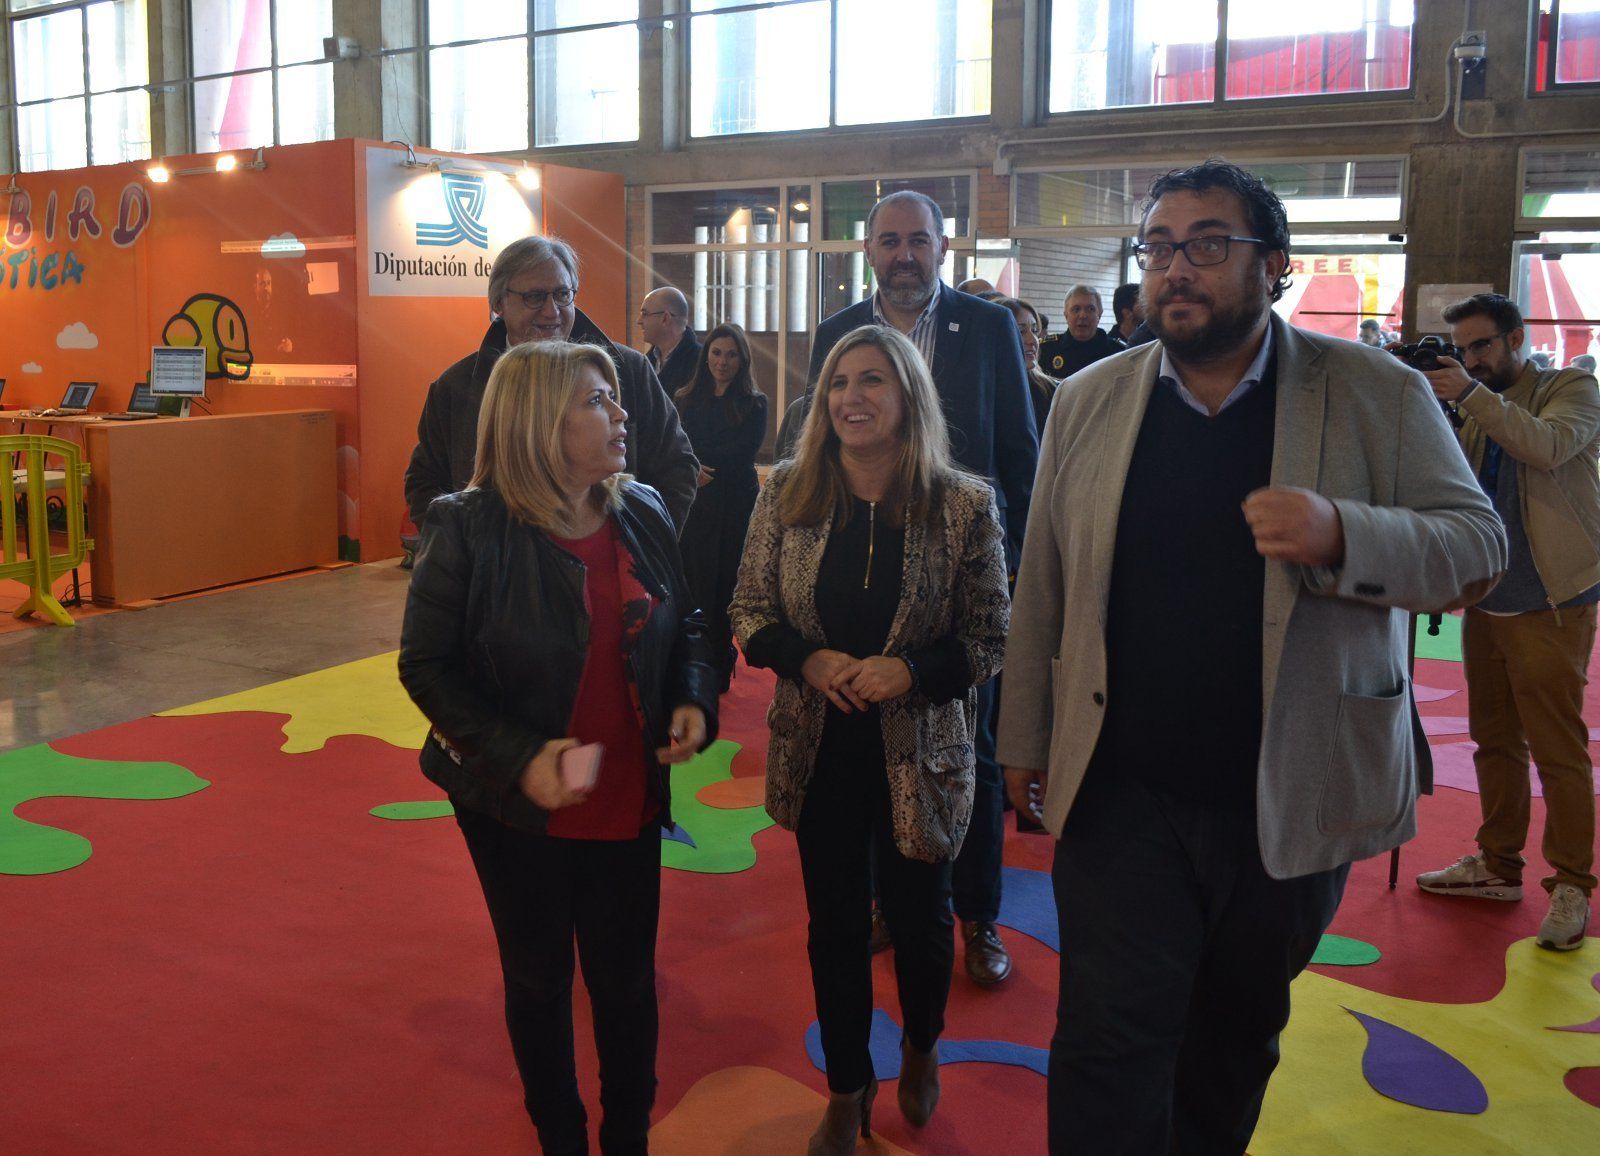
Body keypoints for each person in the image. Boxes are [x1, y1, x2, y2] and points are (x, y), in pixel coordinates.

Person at [997, 160, 1506, 1154]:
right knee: (1106, 1046)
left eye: (1207, 245)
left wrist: (1342, 533)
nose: (1175, 269)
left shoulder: (1370, 390)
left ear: (1271, 265)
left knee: (1228, 1045)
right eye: (1159, 248)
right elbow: (1045, 585)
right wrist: (1020, 733)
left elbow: (1477, 548)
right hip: (1121, 790)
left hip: (1290, 792)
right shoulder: (1090, 400)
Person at [398, 340, 719, 1155]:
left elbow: (689, 622)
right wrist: (517, 755)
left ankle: (628, 1136)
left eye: (616, 398)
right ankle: (561, 1136)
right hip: (516, 807)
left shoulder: (640, 506)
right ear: (539, 422)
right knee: (540, 981)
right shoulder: (467, 526)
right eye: (596, 401)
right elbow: (425, 666)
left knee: (626, 981)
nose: (621, 414)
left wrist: (691, 695)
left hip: (628, 795)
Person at [729, 324, 1009, 1152]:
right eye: (839, 382)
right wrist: (807, 657)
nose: (852, 396)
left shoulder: (963, 504)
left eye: (874, 380)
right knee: (835, 928)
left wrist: (911, 673)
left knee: (923, 929)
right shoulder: (786, 491)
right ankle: (847, 1087)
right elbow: (749, 612)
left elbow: (992, 638)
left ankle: (922, 1047)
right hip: (818, 753)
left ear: (909, 394)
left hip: (920, 757)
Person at [789, 189, 1038, 987]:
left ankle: (977, 917)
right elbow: (821, 448)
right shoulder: (836, 335)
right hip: (860, 574)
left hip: (964, 583)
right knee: (865, 747)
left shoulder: (989, 327)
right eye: (889, 241)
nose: (904, 255)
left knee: (976, 751)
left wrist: (1016, 566)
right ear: (868, 250)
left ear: (942, 248)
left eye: (918, 241)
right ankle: (885, 906)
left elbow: (1018, 458)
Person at [1414, 292, 1600, 951]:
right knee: (1493, 740)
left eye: (1483, 345)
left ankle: (1573, 882)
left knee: (1558, 747)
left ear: (1516, 337)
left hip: (1553, 600)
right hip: (1488, 600)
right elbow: (1462, 497)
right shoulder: (1472, 404)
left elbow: (1546, 447)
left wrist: (1468, 391)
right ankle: (1498, 865)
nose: (1471, 358)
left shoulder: (1569, 387)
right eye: (1462, 349)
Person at [404, 236, 699, 535]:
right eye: (534, 297)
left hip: (606, 570)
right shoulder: (455, 388)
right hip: (500, 575)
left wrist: (643, 550)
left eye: (562, 294)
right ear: (498, 303)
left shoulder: (630, 371)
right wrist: (460, 553)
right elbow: (424, 482)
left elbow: (678, 466)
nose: (551, 310)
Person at [674, 322, 769, 691]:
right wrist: (692, 465)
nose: (722, 361)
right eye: (716, 352)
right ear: (706, 355)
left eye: (731, 354)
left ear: (742, 359)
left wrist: (697, 460)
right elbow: (677, 444)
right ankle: (695, 660)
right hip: (696, 504)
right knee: (695, 579)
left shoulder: (753, 403)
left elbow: (742, 453)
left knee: (725, 581)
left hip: (734, 504)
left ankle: (720, 655)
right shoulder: (685, 397)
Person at [995, 295, 1057, 440]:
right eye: (1021, 331)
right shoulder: (982, 390)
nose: (1032, 340)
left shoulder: (1050, 390)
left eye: (1035, 331)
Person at [1037, 284, 1126, 379]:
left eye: (1090, 309)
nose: (1083, 315)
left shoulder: (1117, 352)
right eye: (1076, 309)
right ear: (1066, 315)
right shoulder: (1046, 350)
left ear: (1099, 315)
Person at [640, 286, 701, 397]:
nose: (639, 321)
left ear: (665, 318)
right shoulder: (646, 362)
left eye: (645, 314)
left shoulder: (700, 362)